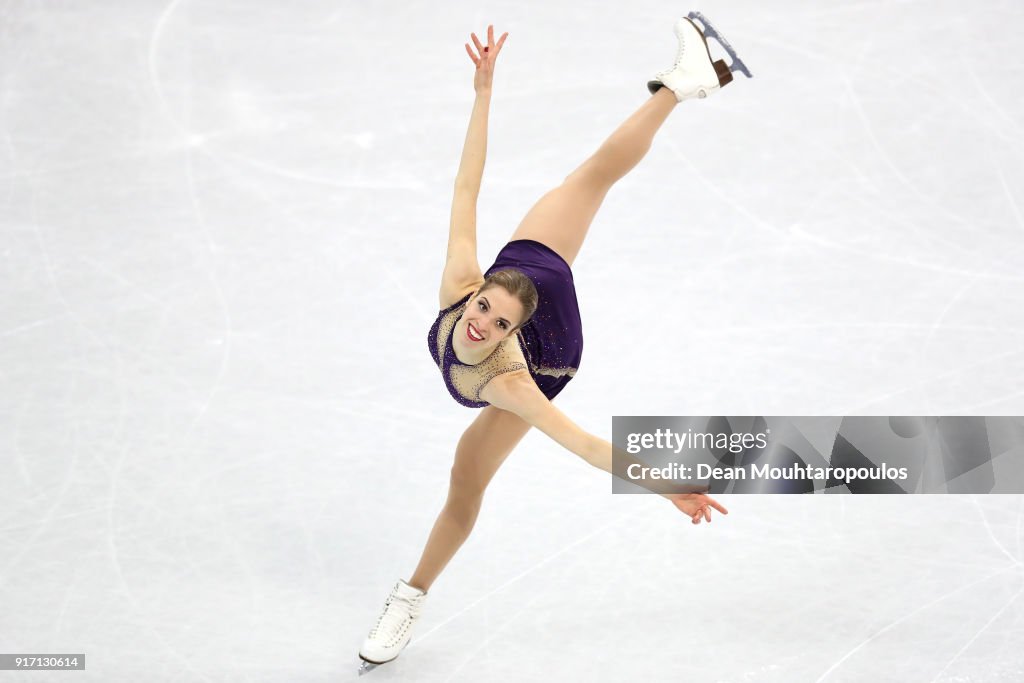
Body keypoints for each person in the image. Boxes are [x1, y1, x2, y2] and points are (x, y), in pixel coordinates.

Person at [358, 15, 750, 674]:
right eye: (482, 309)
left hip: (555, 344)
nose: (480, 324)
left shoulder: (515, 381)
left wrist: (667, 488)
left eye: (496, 323)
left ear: (512, 333)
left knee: (465, 477)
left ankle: (409, 595)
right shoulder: (465, 284)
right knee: (586, 179)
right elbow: (466, 186)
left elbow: (589, 446)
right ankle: (685, 82)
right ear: (477, 292)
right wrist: (484, 93)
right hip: (530, 272)